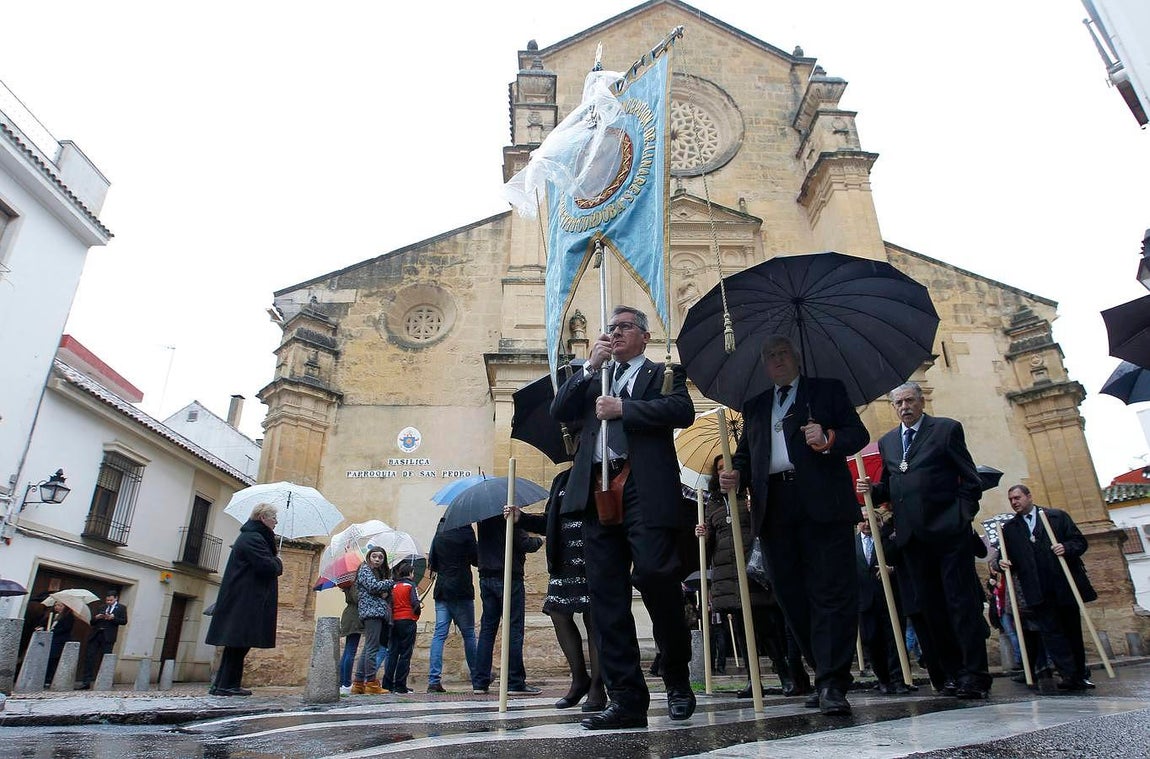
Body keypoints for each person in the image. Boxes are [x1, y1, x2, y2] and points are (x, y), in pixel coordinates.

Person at [551, 305, 696, 730]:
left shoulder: (662, 374)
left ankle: (676, 676)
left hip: (643, 488)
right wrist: (588, 368)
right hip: (597, 489)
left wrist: (625, 409)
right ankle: (627, 698)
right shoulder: (593, 376)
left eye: (624, 327)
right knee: (605, 596)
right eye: (610, 328)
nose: (614, 333)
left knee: (655, 576)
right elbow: (559, 410)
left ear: (644, 336)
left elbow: (681, 411)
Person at [721, 335, 868, 716]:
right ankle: (822, 669)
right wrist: (735, 474)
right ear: (764, 365)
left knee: (831, 591)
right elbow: (747, 455)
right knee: (791, 595)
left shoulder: (826, 391)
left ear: (796, 357)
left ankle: (833, 680)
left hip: (822, 503)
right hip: (775, 507)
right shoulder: (755, 406)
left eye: (783, 353)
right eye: (770, 355)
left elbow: (858, 434)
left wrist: (829, 437)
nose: (777, 359)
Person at [857, 381, 991, 699]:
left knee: (960, 605)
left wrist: (960, 518)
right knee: (931, 610)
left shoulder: (945, 430)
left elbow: (970, 480)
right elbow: (891, 486)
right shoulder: (889, 442)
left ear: (921, 401)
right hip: (912, 540)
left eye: (909, 400)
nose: (904, 407)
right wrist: (872, 489)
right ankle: (951, 674)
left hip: (948, 535)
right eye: (898, 403)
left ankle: (975, 674)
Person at [695, 455, 808, 699]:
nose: (724, 472)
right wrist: (704, 535)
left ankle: (784, 675)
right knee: (741, 631)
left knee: (765, 626)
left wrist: (755, 510)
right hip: (728, 574)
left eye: (728, 467)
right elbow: (710, 546)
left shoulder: (750, 494)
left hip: (752, 570)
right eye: (720, 468)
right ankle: (752, 679)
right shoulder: (713, 503)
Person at [511, 468, 606, 711]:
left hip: (594, 557)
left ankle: (597, 686)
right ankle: (579, 678)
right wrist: (522, 518)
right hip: (563, 560)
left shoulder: (602, 473)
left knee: (594, 619)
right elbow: (549, 522)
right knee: (558, 612)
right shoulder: (562, 480)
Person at [994, 484, 1096, 691]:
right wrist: (1001, 563)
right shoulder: (1010, 529)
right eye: (1011, 499)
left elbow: (1079, 542)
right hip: (1036, 590)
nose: (1014, 502)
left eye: (1017, 497)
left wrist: (1066, 547)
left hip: (1063, 586)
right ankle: (1068, 675)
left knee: (1072, 632)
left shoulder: (1057, 517)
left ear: (1029, 496)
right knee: (1052, 634)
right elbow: (1004, 558)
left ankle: (1079, 673)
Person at [205, 503, 282, 696]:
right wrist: (277, 561)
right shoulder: (253, 538)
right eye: (273, 518)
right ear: (263, 518)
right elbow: (267, 567)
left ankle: (223, 685)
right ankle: (226, 685)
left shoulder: (252, 537)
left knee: (237, 644)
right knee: (238, 643)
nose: (276, 522)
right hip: (245, 599)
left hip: (244, 598)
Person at [472, 511, 543, 695]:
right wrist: (539, 540)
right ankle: (515, 681)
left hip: (486, 575)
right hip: (509, 576)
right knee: (514, 629)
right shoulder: (508, 515)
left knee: (488, 629)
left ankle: (480, 681)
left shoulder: (483, 517)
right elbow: (524, 543)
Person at [856, 509, 909, 695]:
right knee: (871, 641)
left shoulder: (889, 541)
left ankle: (898, 679)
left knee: (894, 640)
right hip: (865, 601)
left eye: (872, 519)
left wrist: (892, 569)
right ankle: (883, 678)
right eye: (863, 520)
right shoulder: (851, 544)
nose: (867, 524)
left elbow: (904, 563)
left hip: (890, 599)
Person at [426, 518, 479, 693]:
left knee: (439, 635)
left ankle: (434, 680)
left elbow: (432, 562)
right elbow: (476, 559)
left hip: (442, 588)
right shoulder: (466, 530)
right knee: (469, 634)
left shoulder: (439, 531)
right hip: (462, 588)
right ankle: (477, 677)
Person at [352, 546, 394, 695]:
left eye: (380, 557)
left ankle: (358, 683)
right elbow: (373, 586)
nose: (377, 559)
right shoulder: (365, 569)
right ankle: (370, 682)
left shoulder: (375, 572)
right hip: (372, 613)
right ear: (369, 557)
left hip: (374, 613)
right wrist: (389, 583)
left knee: (368, 648)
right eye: (374, 556)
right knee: (372, 649)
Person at [383, 560, 420, 694]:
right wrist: (417, 613)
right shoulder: (411, 585)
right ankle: (400, 685)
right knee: (405, 654)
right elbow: (415, 603)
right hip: (408, 620)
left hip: (394, 621)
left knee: (393, 653)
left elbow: (389, 603)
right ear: (410, 573)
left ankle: (387, 684)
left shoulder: (393, 586)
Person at [80, 589, 128, 689]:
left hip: (108, 636)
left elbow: (124, 621)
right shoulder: (102, 607)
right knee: (90, 657)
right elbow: (92, 622)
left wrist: (113, 618)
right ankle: (86, 681)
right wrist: (97, 617)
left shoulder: (121, 608)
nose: (108, 602)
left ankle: (104, 680)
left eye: (111, 600)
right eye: (107, 600)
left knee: (106, 658)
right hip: (96, 634)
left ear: (116, 598)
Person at [41, 601, 75, 687]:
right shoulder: (52, 615)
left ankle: (50, 679)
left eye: (60, 605)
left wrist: (52, 631)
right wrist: (43, 628)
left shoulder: (68, 616)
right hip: (50, 639)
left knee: (53, 659)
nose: (57, 607)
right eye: (56, 605)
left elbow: (66, 628)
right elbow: (46, 625)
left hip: (59, 640)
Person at [339, 585, 364, 695]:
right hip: (354, 618)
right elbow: (357, 598)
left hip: (350, 616)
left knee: (347, 651)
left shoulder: (347, 583)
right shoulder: (354, 585)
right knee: (350, 651)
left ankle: (341, 682)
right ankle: (346, 683)